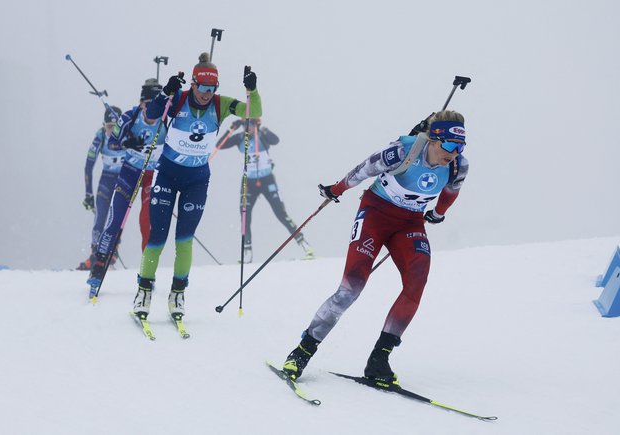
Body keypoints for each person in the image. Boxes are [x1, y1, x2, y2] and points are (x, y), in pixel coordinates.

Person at [282, 110, 469, 382]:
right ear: (434, 139)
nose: (453, 153)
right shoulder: (403, 151)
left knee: (416, 281)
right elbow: (364, 169)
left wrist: (438, 214)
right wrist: (337, 189)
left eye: (460, 147)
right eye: (450, 145)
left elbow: (451, 191)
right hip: (376, 215)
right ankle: (302, 352)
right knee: (351, 287)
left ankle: (379, 359)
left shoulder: (457, 165)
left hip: (410, 223)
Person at [133, 52, 262, 321]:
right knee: (157, 236)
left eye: (211, 88)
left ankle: (177, 294)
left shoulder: (220, 104)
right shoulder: (177, 98)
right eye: (202, 87)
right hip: (167, 175)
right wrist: (165, 93)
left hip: (197, 179)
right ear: (192, 84)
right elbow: (151, 116)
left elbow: (254, 112)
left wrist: (252, 89)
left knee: (184, 239)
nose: (206, 93)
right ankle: (144, 290)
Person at [87, 79, 167, 291]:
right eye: (149, 103)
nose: (153, 109)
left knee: (147, 223)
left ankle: (147, 273)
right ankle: (99, 267)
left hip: (152, 175)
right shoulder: (129, 117)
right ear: (141, 103)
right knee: (114, 222)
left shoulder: (166, 119)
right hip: (130, 172)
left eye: (157, 104)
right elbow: (113, 141)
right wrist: (126, 142)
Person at [218, 118, 314, 263]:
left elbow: (275, 140)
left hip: (267, 180)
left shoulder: (262, 135)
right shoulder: (239, 138)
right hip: (248, 182)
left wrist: (264, 129)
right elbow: (219, 145)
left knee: (280, 213)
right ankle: (247, 252)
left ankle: (304, 244)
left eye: (249, 125)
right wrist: (231, 128)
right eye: (244, 125)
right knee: (245, 216)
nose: (247, 128)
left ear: (255, 124)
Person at [78, 106, 125, 270]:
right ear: (104, 125)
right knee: (100, 218)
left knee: (117, 218)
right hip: (106, 180)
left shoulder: (128, 134)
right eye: (108, 127)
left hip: (124, 181)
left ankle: (112, 253)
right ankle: (94, 254)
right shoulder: (100, 137)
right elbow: (88, 166)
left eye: (115, 127)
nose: (111, 131)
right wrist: (88, 194)